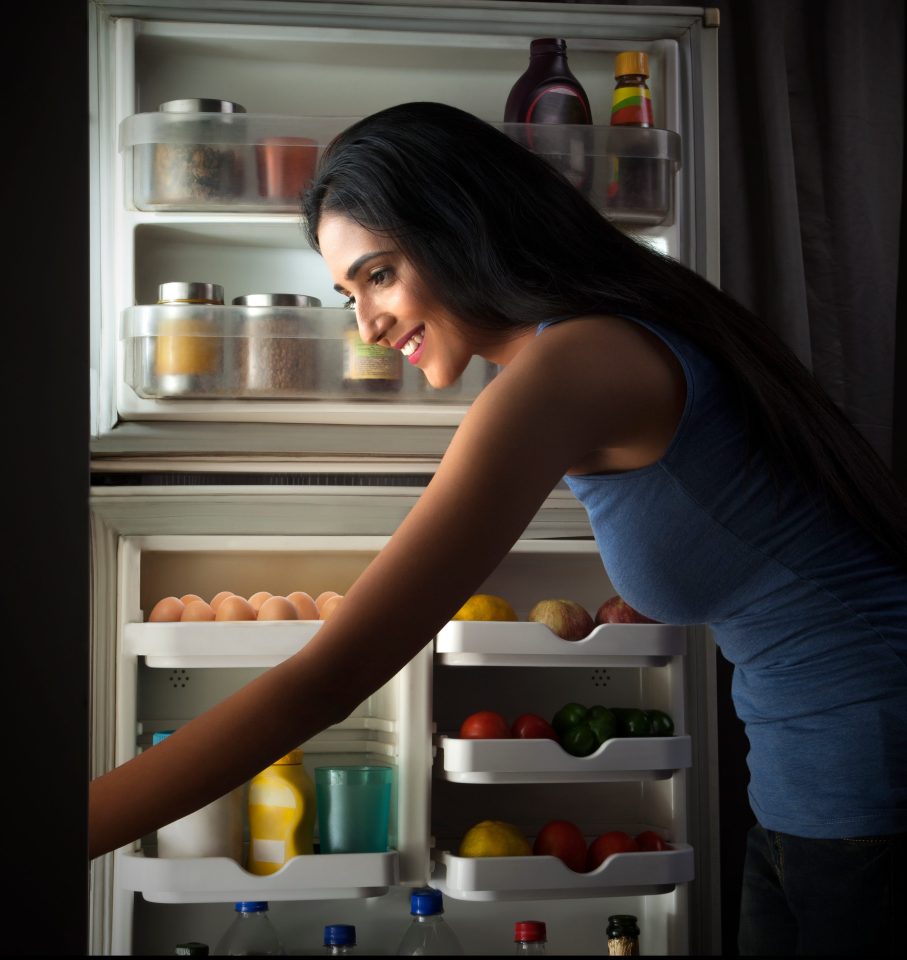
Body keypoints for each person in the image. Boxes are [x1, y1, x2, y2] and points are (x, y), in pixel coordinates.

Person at [89, 102, 906, 955]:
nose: (363, 324)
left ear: (458, 230)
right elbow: (761, 538)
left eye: (378, 275)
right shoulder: (596, 342)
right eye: (345, 294)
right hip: (806, 779)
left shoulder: (565, 368)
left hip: (869, 772)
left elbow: (332, 676)